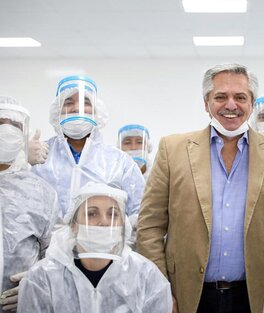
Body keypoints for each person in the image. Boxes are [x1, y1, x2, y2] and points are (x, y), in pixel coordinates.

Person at [137, 63, 264, 313]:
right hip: (187, 296)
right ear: (206, 103)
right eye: (221, 97)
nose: (231, 105)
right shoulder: (173, 150)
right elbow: (149, 227)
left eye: (240, 97)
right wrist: (161, 290)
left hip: (258, 296)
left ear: (252, 103)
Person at [18, 183, 172, 313]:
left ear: (123, 225)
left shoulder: (146, 276)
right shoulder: (42, 278)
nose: (104, 222)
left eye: (113, 215)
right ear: (73, 226)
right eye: (92, 214)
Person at [31, 75, 145, 225]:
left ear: (97, 112)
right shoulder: (39, 156)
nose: (77, 108)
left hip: (104, 246)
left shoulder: (120, 162)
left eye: (86, 102)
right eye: (68, 102)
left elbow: (140, 214)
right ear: (57, 112)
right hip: (49, 247)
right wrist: (19, 160)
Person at [0, 96, 59, 312]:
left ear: (23, 134)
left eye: (14, 125)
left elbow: (54, 257)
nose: (6, 131)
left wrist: (35, 284)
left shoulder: (42, 193)